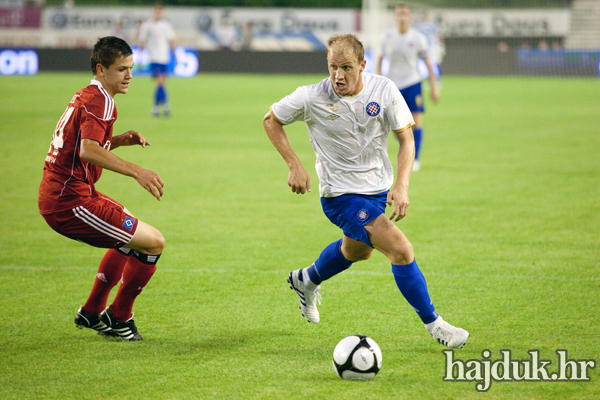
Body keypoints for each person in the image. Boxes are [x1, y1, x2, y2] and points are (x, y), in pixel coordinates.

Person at [263, 33, 469, 349]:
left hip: (376, 191)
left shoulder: (384, 90)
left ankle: (306, 279)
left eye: (346, 67)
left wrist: (402, 185)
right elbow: (270, 120)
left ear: (362, 65)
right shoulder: (311, 96)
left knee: (357, 251)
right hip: (340, 196)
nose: (337, 75)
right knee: (400, 249)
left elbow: (407, 139)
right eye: (332, 66)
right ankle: (436, 326)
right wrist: (294, 164)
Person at [38, 36, 165, 341]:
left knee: (131, 234)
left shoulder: (87, 95)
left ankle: (92, 310)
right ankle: (119, 317)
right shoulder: (101, 101)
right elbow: (88, 150)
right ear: (100, 69)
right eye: (122, 69)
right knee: (153, 242)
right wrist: (138, 171)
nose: (129, 75)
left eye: (131, 68)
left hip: (70, 193)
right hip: (69, 202)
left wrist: (119, 139)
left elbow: (81, 143)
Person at [375, 4, 439, 172]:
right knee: (393, 124)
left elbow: (428, 63)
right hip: (393, 85)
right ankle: (406, 149)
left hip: (413, 83)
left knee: (416, 121)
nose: (402, 17)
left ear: (409, 17)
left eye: (405, 14)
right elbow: (379, 61)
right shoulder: (386, 37)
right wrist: (376, 84)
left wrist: (434, 87)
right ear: (395, 17)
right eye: (399, 14)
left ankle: (415, 158)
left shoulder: (417, 38)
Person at [138, 2, 176, 117]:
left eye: (160, 11)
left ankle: (156, 107)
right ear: (153, 12)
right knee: (160, 81)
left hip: (165, 57)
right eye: (156, 11)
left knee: (161, 83)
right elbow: (142, 42)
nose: (158, 13)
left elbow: (172, 40)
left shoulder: (166, 25)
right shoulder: (147, 25)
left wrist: (176, 55)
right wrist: (139, 59)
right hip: (154, 58)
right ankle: (165, 106)